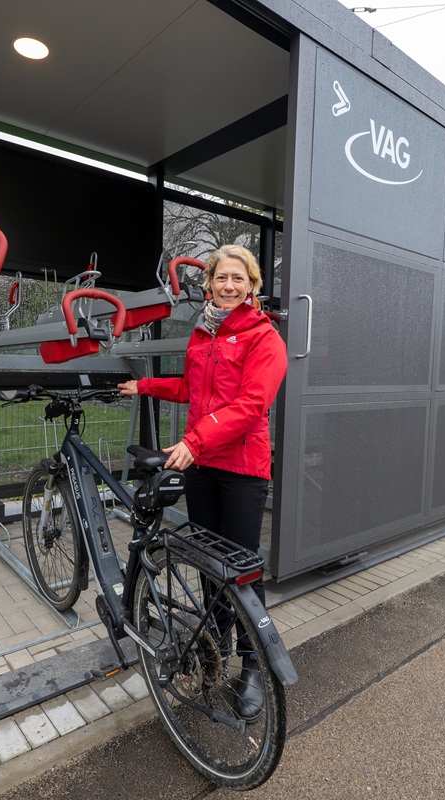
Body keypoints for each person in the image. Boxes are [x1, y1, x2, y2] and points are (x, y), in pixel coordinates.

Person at [119, 243, 286, 719]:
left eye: (239, 278)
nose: (229, 286)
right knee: (210, 563)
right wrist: (145, 386)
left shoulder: (264, 337)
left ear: (251, 286)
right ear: (209, 284)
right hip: (202, 466)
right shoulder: (202, 333)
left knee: (243, 568)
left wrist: (195, 440)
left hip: (240, 468)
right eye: (221, 278)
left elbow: (252, 405)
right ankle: (215, 647)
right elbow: (192, 388)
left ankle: (254, 666)